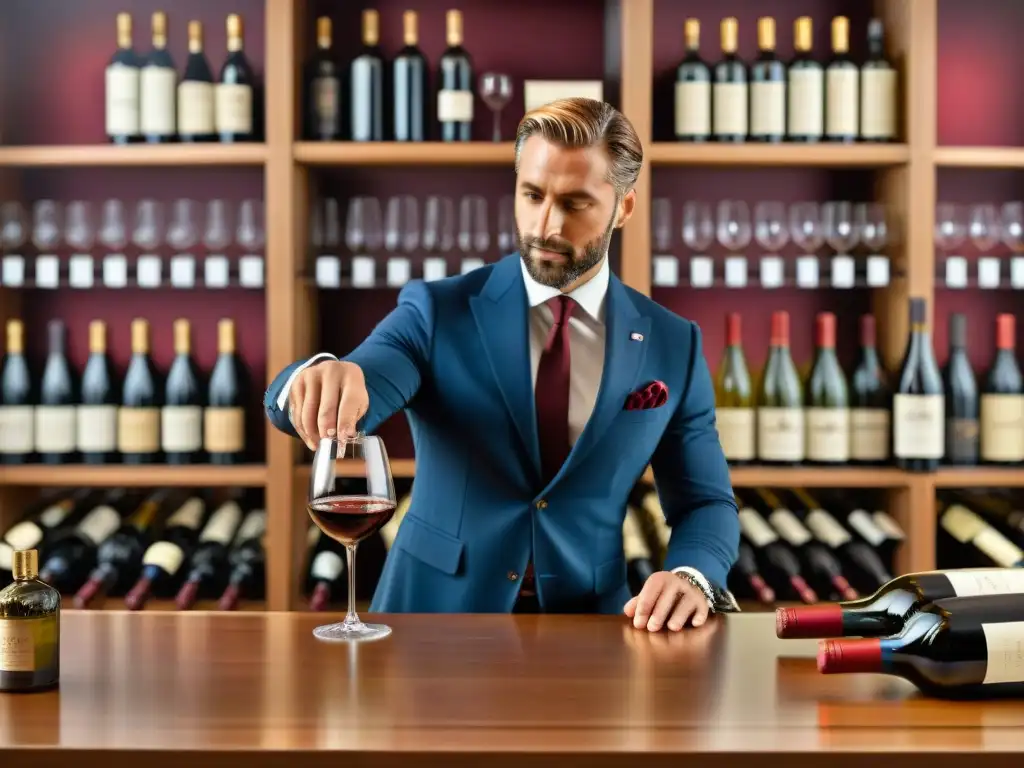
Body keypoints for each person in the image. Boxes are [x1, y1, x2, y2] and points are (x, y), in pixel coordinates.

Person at [265, 97, 739, 632]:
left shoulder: (675, 344)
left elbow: (705, 503)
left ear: (624, 207)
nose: (546, 225)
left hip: (594, 630)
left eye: (576, 203)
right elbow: (364, 376)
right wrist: (322, 375)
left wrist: (694, 575)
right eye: (532, 194)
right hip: (431, 623)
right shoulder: (435, 310)